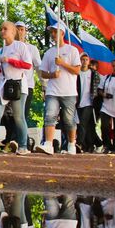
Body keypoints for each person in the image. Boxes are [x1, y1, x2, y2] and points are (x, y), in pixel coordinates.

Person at [0, 20, 33, 154]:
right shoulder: (1, 50)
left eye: (5, 29)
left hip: (18, 84)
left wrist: (10, 60)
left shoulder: (20, 46)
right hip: (2, 85)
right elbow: (0, 70)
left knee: (18, 117)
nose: (2, 31)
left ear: (13, 31)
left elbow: (28, 65)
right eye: (1, 29)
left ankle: (23, 146)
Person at [36, 20, 81, 155]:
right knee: (49, 116)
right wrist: (52, 75)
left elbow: (77, 70)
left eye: (55, 32)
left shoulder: (72, 50)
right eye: (52, 32)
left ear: (62, 33)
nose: (53, 34)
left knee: (68, 120)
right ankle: (48, 144)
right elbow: (42, 72)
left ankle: (71, 144)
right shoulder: (49, 53)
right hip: (52, 91)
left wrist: (62, 63)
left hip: (69, 92)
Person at [75, 55, 98, 153]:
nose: (84, 61)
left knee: (83, 123)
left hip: (89, 102)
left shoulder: (93, 73)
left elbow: (97, 86)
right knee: (86, 125)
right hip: (78, 102)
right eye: (82, 60)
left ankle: (79, 143)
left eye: (86, 60)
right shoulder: (77, 73)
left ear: (89, 62)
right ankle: (92, 144)